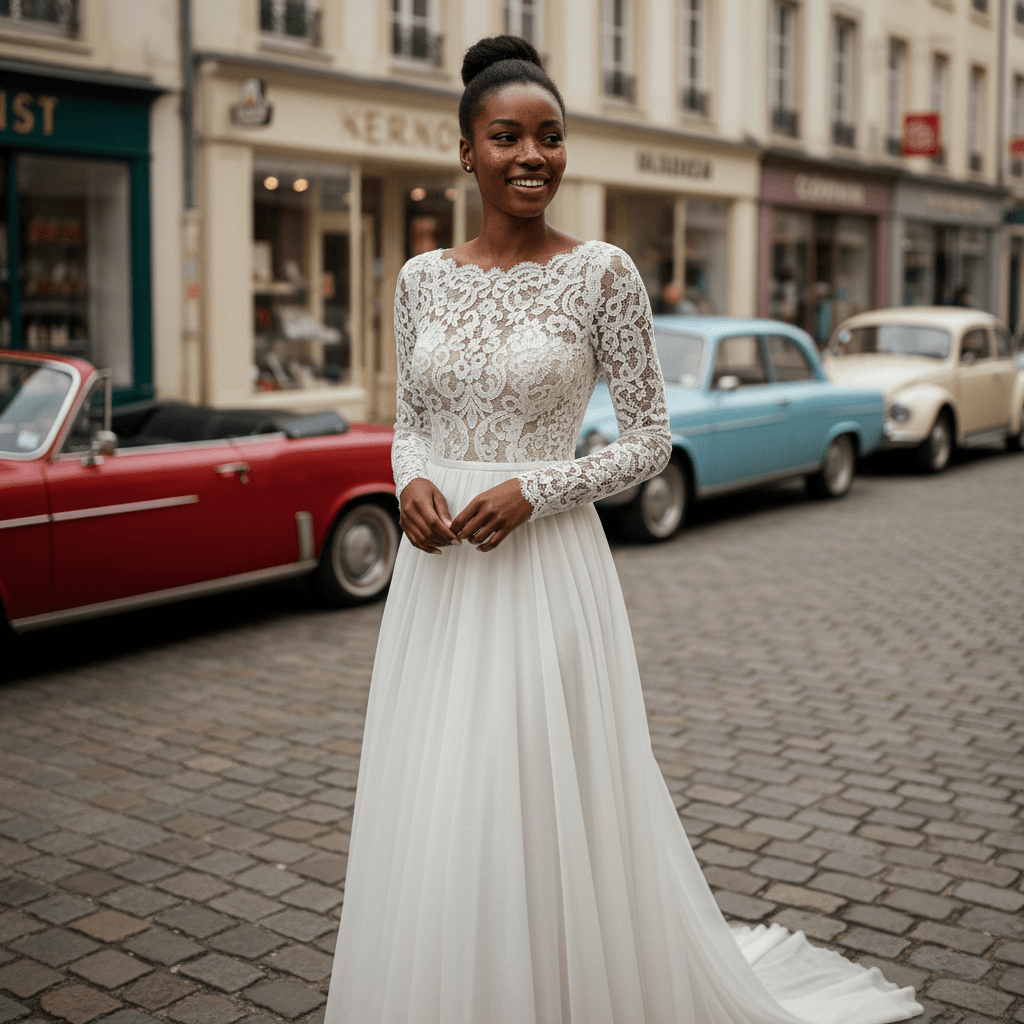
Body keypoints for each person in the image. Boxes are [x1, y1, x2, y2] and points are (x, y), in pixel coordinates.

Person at [324, 36, 922, 1024]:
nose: (531, 155)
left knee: (522, 788)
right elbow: (411, 422)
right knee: (439, 792)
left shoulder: (602, 273)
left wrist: (535, 488)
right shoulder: (420, 278)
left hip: (545, 567)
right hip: (437, 583)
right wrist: (409, 483)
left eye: (550, 137)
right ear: (465, 151)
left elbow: (649, 440)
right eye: (506, 136)